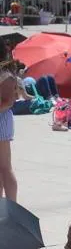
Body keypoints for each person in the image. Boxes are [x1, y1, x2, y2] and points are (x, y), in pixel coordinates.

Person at [0, 42, 18, 202]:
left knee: (5, 167)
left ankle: (12, 205)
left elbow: (8, 102)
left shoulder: (5, 75)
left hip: (2, 118)